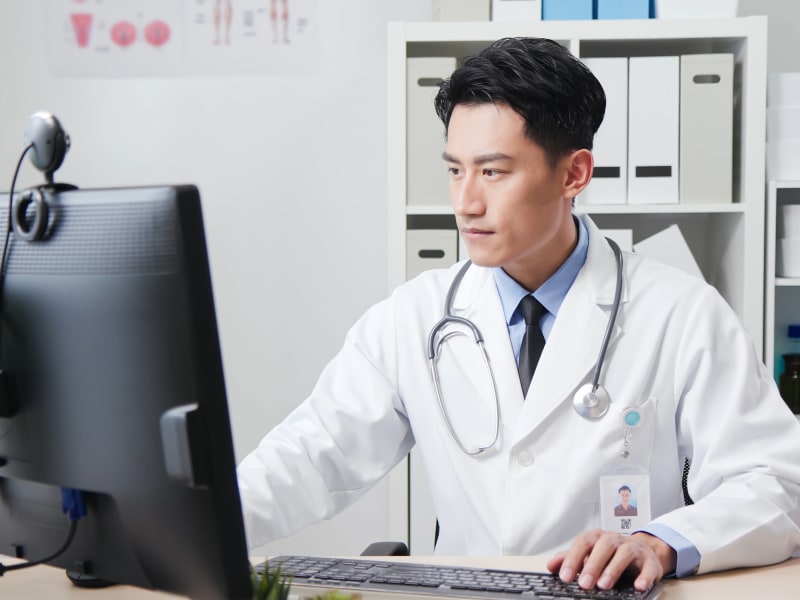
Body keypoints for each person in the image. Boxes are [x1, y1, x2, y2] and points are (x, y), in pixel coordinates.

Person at [237, 37, 800, 592]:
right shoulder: (414, 317)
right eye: (456, 170)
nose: (466, 203)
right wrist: (188, 530)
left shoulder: (682, 314)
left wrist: (659, 542)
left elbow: (775, 485)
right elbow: (308, 458)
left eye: (494, 171)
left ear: (574, 174)